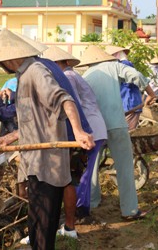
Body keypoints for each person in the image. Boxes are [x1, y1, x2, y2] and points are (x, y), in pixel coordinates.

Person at [0, 29, 94, 250]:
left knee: (44, 225)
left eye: (1, 61)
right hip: (35, 162)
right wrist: (9, 138)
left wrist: (78, 131)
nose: (0, 66)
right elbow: (34, 121)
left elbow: (65, 100)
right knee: (37, 221)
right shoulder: (23, 75)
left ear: (9, 58)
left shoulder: (36, 71)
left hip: (48, 164)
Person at [76, 45, 156, 220]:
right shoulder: (115, 66)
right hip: (116, 123)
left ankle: (93, 202)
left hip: (94, 127)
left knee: (92, 166)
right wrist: (150, 93)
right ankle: (130, 211)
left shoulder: (86, 76)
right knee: (125, 167)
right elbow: (136, 76)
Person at [43, 45, 107, 226]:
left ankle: (80, 211)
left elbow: (71, 105)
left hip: (89, 130)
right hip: (93, 127)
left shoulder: (68, 77)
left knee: (82, 173)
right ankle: (81, 210)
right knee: (83, 173)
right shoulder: (72, 75)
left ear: (57, 64)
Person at [106, 46, 144, 130]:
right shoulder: (121, 65)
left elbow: (132, 80)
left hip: (129, 101)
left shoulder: (124, 64)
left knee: (128, 130)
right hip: (128, 101)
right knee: (127, 130)